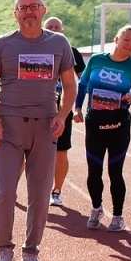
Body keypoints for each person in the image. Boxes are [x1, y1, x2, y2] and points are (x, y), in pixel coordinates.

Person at [0, 0, 76, 261]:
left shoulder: (59, 43)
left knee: (39, 193)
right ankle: (4, 250)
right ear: (15, 14)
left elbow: (70, 84)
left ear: (43, 10)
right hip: (9, 126)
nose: (28, 12)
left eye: (34, 7)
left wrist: (62, 115)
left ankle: (31, 251)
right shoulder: (2, 44)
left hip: (45, 126)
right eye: (22, 8)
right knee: (5, 191)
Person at [73, 25, 131, 231]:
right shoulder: (97, 60)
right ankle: (96, 208)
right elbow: (83, 85)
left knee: (115, 171)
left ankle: (118, 216)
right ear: (116, 39)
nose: (129, 44)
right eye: (126, 39)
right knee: (94, 170)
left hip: (119, 124)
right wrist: (77, 108)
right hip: (95, 122)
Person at [43, 16, 87, 208]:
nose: (53, 29)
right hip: (37, 110)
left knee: (61, 152)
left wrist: (78, 107)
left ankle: (56, 191)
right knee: (29, 152)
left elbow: (83, 80)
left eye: (56, 27)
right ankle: (21, 190)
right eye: (49, 26)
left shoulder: (72, 52)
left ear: (63, 30)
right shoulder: (35, 49)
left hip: (62, 111)